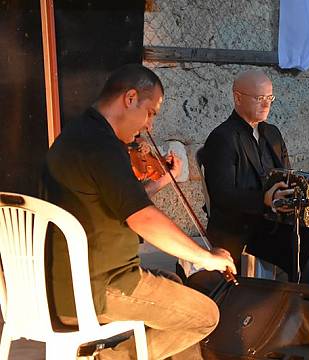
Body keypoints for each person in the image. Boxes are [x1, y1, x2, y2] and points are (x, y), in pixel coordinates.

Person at [44, 64, 236, 359]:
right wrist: (205, 257)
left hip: (63, 282)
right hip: (99, 287)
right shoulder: (101, 147)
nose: (150, 126)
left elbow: (120, 201)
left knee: (173, 285)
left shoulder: (79, 135)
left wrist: (159, 182)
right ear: (130, 98)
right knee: (204, 315)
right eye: (151, 113)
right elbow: (143, 218)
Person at [202, 70, 309, 285]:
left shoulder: (272, 133)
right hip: (245, 226)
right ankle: (303, 299)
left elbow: (289, 177)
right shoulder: (223, 137)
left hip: (278, 220)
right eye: (259, 98)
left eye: (269, 98)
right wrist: (264, 200)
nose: (266, 105)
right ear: (238, 97)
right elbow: (222, 195)